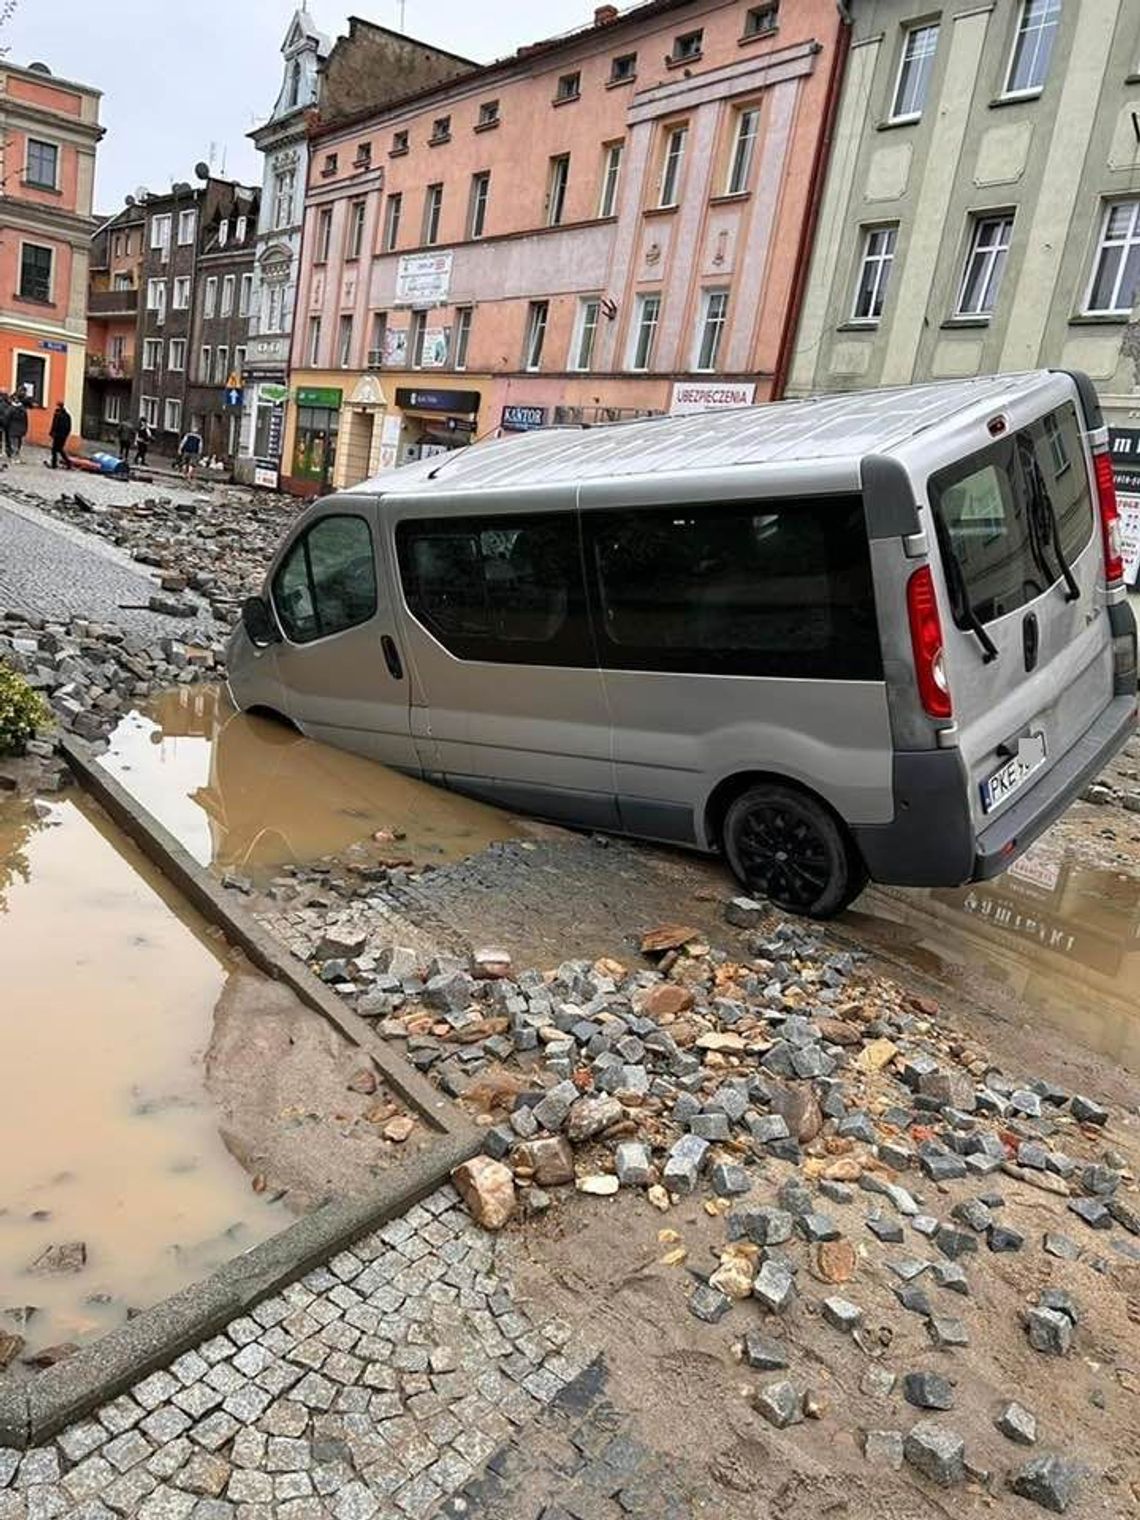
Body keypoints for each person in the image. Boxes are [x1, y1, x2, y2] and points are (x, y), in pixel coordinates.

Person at [48, 401, 73, 469]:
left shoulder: (57, 414)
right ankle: (68, 463)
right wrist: (66, 434)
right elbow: (69, 426)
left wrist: (52, 433)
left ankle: (54, 464)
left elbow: (55, 425)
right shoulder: (67, 415)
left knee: (55, 450)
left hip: (57, 435)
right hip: (63, 435)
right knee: (59, 449)